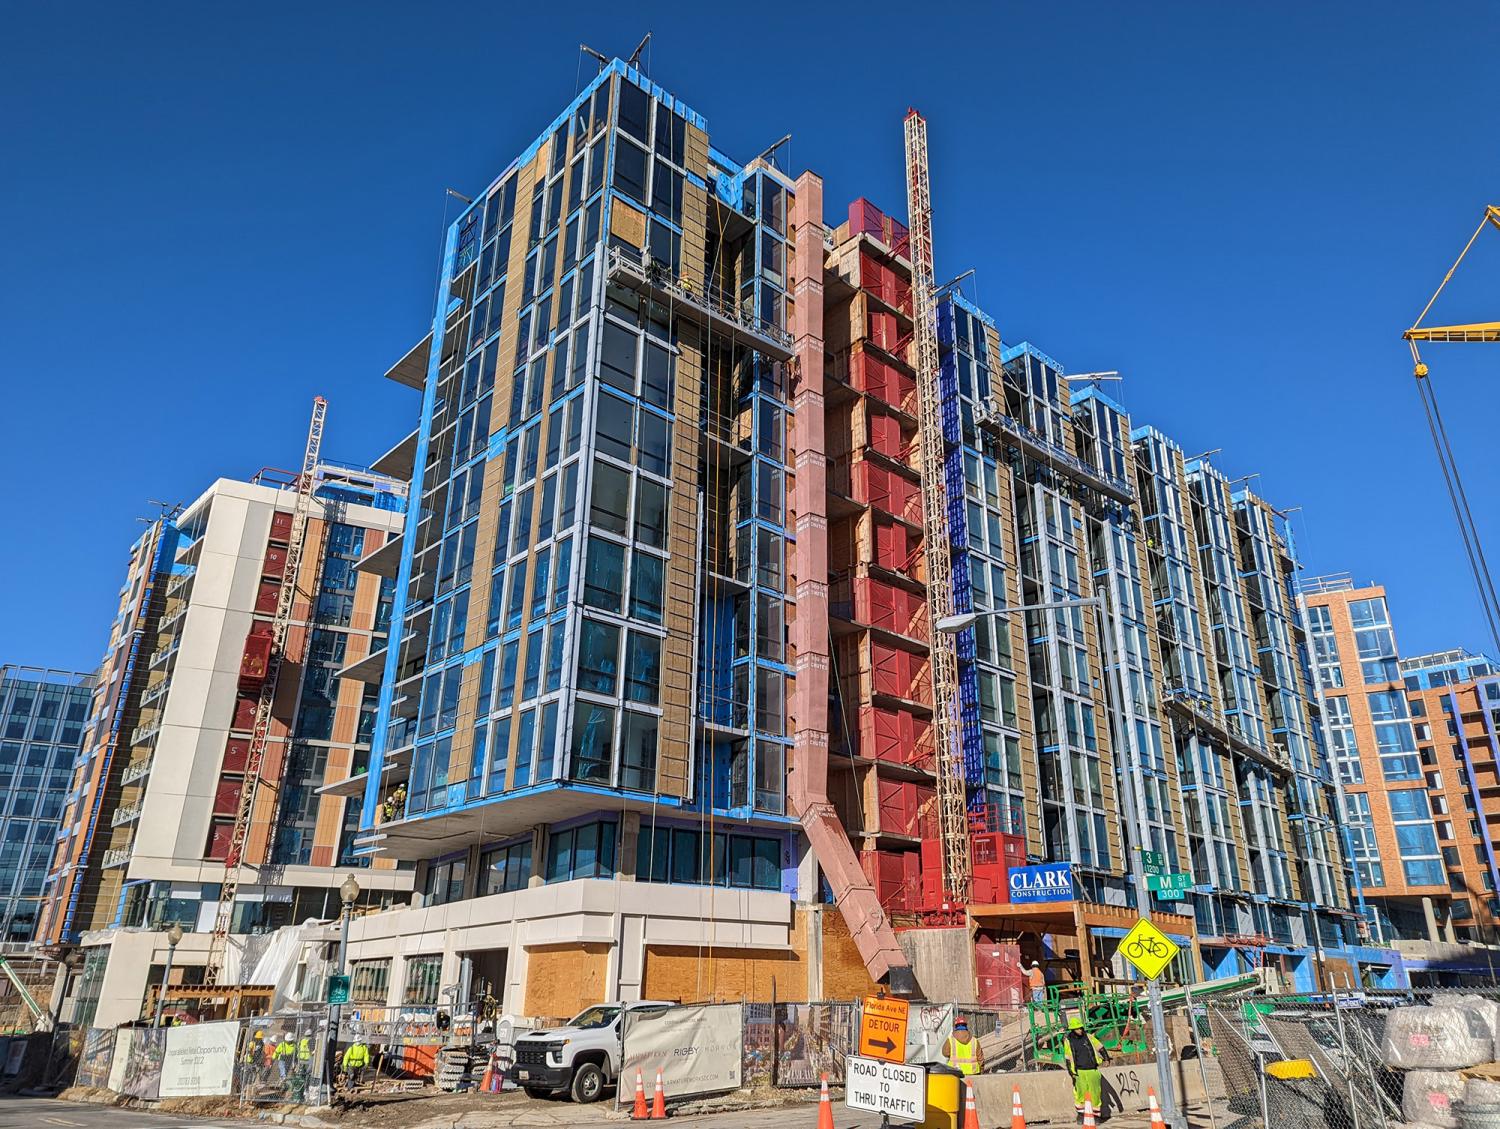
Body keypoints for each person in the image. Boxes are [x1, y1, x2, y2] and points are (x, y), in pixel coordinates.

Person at [1063, 1015, 1109, 1121]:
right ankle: (1081, 1115)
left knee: (1095, 1094)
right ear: (1073, 1030)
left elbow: (1100, 1047)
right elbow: (1068, 1059)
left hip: (1092, 1070)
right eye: (1077, 1029)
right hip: (1079, 1072)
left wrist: (1106, 1059)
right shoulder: (1068, 1041)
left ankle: (1096, 1116)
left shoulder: (1089, 1037)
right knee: (1080, 1094)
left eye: (1080, 1028)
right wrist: (1071, 1073)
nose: (1080, 1030)